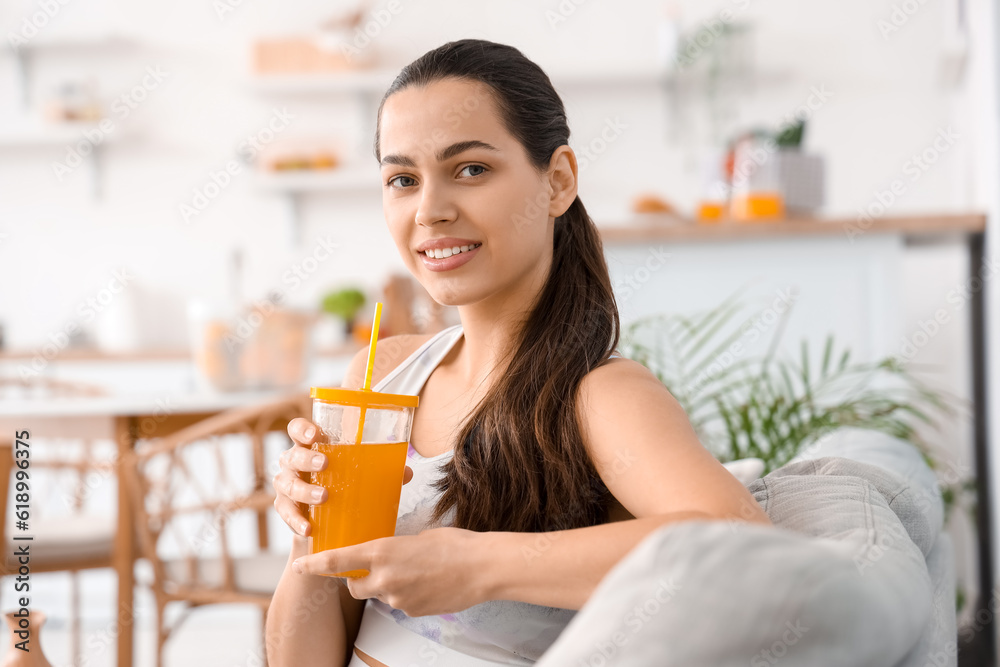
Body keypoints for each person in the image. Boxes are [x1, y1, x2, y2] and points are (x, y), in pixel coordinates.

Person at [265, 38, 772, 667]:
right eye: (402, 179)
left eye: (471, 169)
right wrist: (309, 544)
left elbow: (744, 548)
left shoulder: (599, 395)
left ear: (557, 181)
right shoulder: (387, 374)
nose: (430, 210)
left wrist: (481, 565)